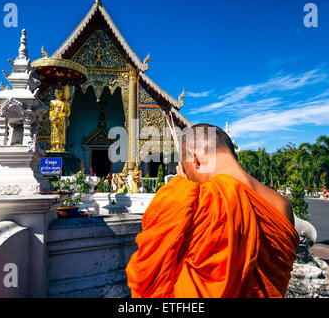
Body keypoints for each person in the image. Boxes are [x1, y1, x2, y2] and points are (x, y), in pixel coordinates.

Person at [125, 124, 299, 298]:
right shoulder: (283, 205)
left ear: (195, 160)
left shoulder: (196, 199)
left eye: (186, 169)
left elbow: (148, 280)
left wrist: (181, 188)